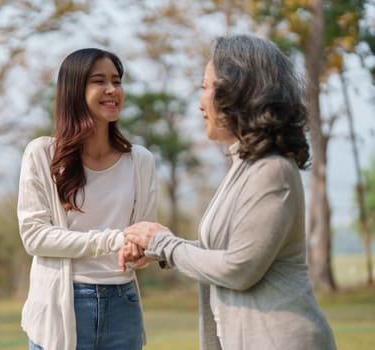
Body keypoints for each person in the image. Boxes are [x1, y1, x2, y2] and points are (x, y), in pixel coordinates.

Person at [121, 34, 337, 350]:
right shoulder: (246, 164)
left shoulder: (272, 170)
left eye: (207, 87)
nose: (200, 102)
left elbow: (238, 268)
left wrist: (165, 245)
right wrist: (159, 248)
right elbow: (228, 251)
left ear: (240, 92)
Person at [17, 48, 157, 350]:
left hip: (123, 303)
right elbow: (35, 237)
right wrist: (115, 240)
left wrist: (143, 250)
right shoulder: (42, 155)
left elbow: (143, 242)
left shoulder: (141, 161)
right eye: (99, 81)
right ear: (74, 91)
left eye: (117, 81)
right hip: (61, 303)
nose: (112, 90)